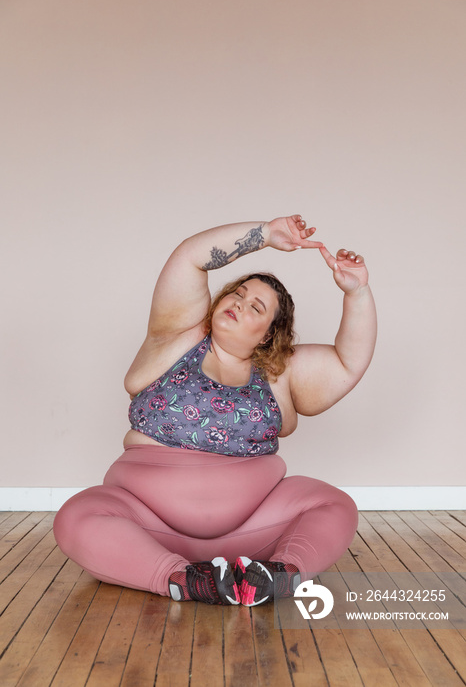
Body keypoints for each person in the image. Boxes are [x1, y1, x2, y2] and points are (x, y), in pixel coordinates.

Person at [53, 215, 376, 606]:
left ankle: (280, 575)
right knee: (76, 516)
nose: (239, 304)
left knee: (334, 504)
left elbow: (348, 363)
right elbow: (190, 257)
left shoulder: (279, 373)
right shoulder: (177, 337)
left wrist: (357, 293)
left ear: (270, 333)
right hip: (148, 524)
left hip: (254, 528)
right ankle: (181, 577)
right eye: (237, 294)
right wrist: (267, 235)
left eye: (256, 307)